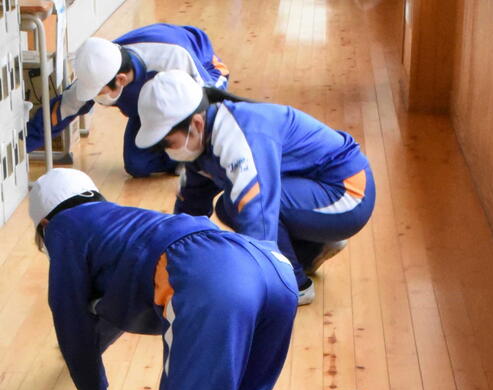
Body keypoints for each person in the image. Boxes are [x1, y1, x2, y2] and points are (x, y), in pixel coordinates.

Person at [29, 168, 392, 390]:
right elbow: (108, 309)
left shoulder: (63, 229)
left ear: (44, 223)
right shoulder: (117, 221)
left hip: (210, 277)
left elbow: (72, 325)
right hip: (269, 267)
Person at [135, 70, 376, 305]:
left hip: (349, 193)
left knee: (247, 206)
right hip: (317, 189)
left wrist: (247, 292)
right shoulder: (201, 141)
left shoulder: (240, 135)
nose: (165, 152)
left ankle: (293, 286)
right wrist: (172, 262)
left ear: (196, 123)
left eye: (166, 143)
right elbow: (191, 208)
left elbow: (258, 218)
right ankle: (313, 247)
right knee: (228, 206)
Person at [26, 25, 230, 178]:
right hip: (150, 104)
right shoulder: (100, 68)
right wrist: (21, 148)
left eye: (99, 93)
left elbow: (210, 99)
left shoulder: (172, 57)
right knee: (137, 165)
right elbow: (59, 112)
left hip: (205, 75)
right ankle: (177, 156)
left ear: (121, 80)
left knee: (200, 142)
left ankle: (195, 159)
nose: (96, 98)